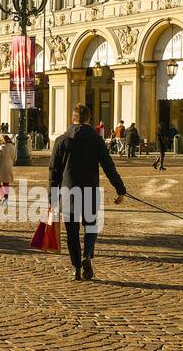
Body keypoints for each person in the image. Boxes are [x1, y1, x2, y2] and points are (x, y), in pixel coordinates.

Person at [48, 103, 127, 281]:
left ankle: (76, 267)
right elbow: (108, 166)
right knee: (91, 226)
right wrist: (120, 189)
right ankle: (88, 255)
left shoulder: (61, 140)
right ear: (89, 119)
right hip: (90, 190)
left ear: (73, 118)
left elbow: (53, 171)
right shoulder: (96, 139)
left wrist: (52, 198)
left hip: (67, 192)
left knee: (72, 233)